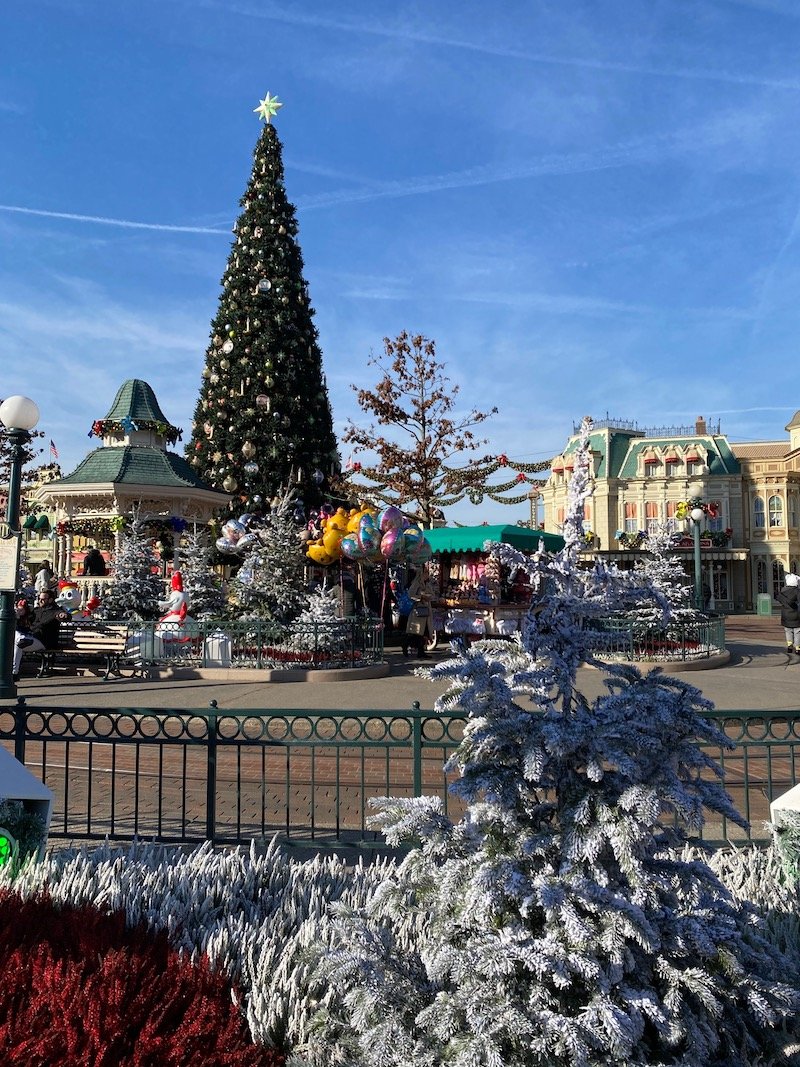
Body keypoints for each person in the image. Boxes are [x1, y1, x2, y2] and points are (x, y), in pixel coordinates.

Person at [12, 588, 68, 681]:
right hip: (30, 638)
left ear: (50, 600)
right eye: (39, 598)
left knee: (18, 642)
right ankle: (14, 673)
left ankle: (14, 672)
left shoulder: (55, 610)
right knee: (16, 641)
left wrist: (63, 615)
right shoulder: (37, 610)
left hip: (43, 641)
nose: (40, 601)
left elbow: (62, 614)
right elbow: (27, 619)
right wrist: (21, 613)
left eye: (43, 599)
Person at [402, 568, 436, 659]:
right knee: (415, 632)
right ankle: (405, 645)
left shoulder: (427, 584)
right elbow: (410, 595)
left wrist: (429, 597)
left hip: (426, 612)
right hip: (418, 612)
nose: (427, 575)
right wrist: (421, 597)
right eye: (425, 573)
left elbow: (432, 594)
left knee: (423, 633)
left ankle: (421, 652)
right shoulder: (416, 583)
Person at [776, 572, 800, 657]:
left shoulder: (783, 591)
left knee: (788, 631)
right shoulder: (797, 591)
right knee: (797, 632)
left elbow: (779, 599)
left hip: (786, 614)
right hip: (796, 614)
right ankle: (797, 648)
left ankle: (789, 645)